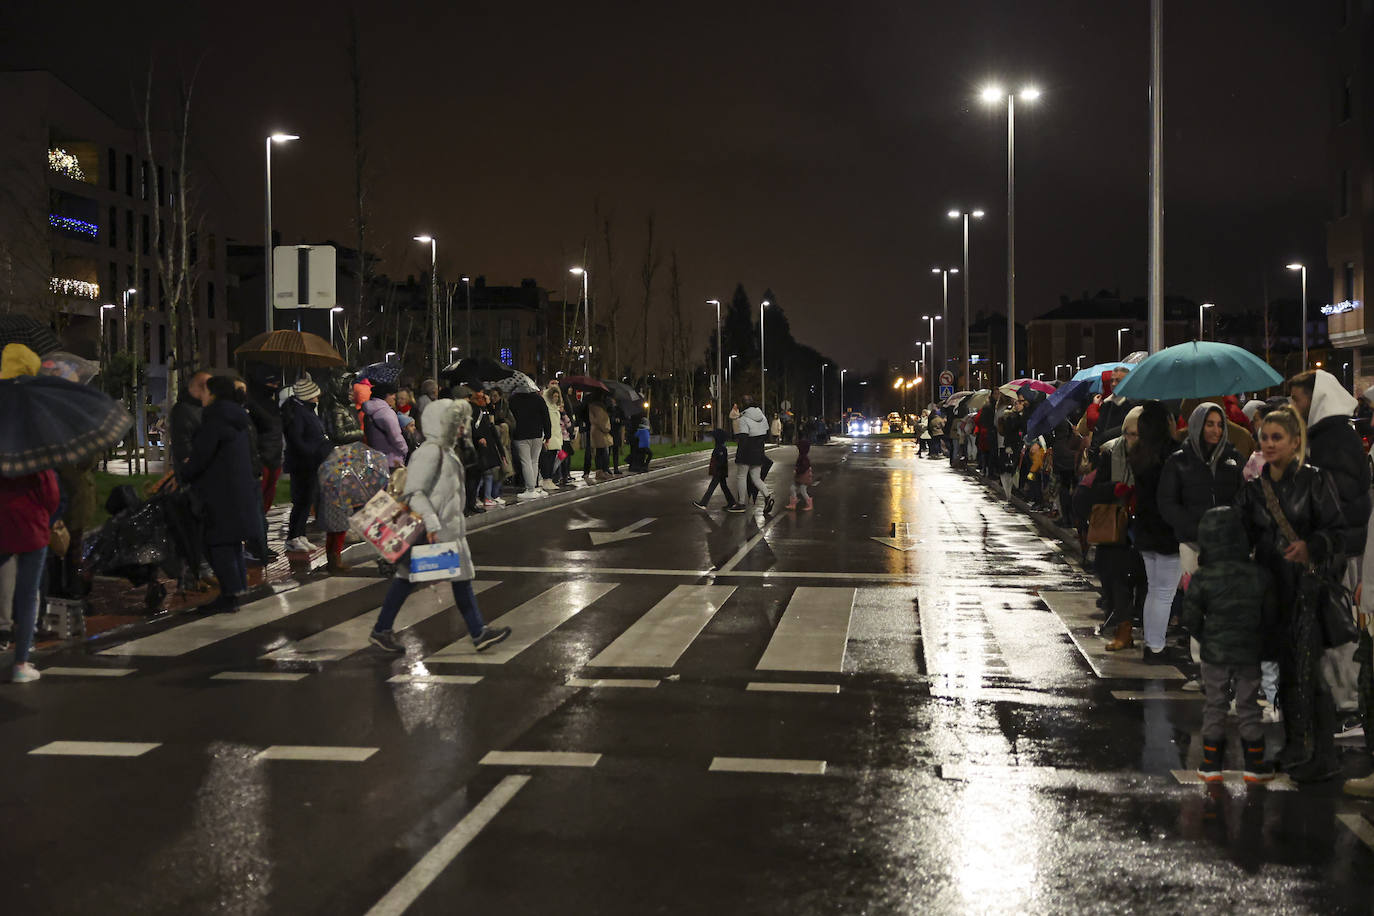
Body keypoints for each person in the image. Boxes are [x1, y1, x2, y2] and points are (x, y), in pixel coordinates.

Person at [1235, 407, 1361, 782]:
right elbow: (1239, 533)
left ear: (1294, 442)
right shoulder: (1253, 490)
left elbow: (1338, 532)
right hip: (1272, 591)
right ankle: (1295, 746)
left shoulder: (1315, 482)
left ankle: (1320, 752)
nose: (1270, 444)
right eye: (1266, 438)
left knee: (1311, 672)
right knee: (1286, 670)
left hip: (1308, 591)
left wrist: (1313, 547)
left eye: (1278, 438)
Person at [368, 398, 512, 654]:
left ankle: (478, 633)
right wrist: (432, 525)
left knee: (460, 581)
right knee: (408, 579)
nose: (460, 429)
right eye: (454, 424)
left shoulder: (446, 451)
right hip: (433, 531)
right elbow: (414, 492)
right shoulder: (430, 452)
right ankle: (381, 630)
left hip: (448, 530)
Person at [1288, 369, 1370, 740]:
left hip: (1339, 552)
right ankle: (1338, 704)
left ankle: (1350, 707)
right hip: (1333, 548)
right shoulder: (1328, 437)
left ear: (1315, 399)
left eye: (1298, 398)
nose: (1293, 405)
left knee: (1340, 631)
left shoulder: (1333, 439)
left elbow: (1338, 497)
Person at [1183, 506, 1278, 782]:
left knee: (1215, 705)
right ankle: (1254, 764)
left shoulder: (1203, 577)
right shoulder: (1258, 574)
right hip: (1248, 652)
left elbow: (1190, 617)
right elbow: (1270, 616)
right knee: (1248, 706)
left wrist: (1207, 637)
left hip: (1214, 653)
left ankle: (1211, 764)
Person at [0, 344, 59, 683]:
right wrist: (49, 511)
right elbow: (48, 486)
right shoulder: (33, 421)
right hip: (31, 522)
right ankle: (21, 663)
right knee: (28, 591)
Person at [183, 376, 262, 612]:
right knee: (231, 542)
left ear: (214, 394)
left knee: (218, 543)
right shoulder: (236, 417)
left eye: (206, 392)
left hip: (220, 492)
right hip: (236, 488)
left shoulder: (215, 419)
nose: (203, 397)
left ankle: (229, 595)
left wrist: (185, 471)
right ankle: (236, 590)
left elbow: (201, 456)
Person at [1086, 406, 1148, 650]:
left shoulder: (1152, 455)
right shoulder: (1111, 452)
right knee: (1118, 577)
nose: (1131, 439)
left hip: (1142, 525)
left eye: (1137, 434)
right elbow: (1095, 489)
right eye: (1128, 433)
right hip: (1116, 526)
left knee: (1142, 580)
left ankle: (1141, 625)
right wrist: (1115, 489)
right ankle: (1124, 627)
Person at [1125, 401, 1181, 663]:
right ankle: (1155, 647)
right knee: (1164, 592)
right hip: (1167, 530)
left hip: (1145, 528)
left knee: (1154, 588)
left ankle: (1152, 642)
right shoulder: (1172, 454)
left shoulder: (1138, 452)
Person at [281, 375, 333, 554]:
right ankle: (293, 537)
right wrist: (314, 450)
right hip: (303, 463)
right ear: (308, 396)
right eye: (315, 395)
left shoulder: (306, 410)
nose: (318, 398)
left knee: (306, 500)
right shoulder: (298, 412)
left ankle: (300, 534)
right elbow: (297, 439)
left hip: (311, 462)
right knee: (301, 500)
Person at [246, 375, 284, 517]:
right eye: (271, 383)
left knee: (268, 494)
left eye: (277, 383)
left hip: (274, 455)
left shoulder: (273, 405)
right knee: (258, 496)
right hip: (261, 457)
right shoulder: (252, 406)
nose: (275, 387)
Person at [729, 395, 773, 514]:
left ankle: (741, 503)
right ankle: (767, 496)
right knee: (756, 478)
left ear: (743, 404)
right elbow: (766, 433)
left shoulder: (744, 418)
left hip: (747, 449)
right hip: (759, 449)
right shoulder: (762, 416)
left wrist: (739, 455)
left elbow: (743, 438)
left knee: (741, 476)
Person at [509, 387, 551, 499]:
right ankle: (535, 486)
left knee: (525, 461)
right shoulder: (538, 399)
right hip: (537, 434)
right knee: (534, 461)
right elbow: (546, 417)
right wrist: (548, 434)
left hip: (521, 434)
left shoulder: (513, 400)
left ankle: (530, 488)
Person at [169, 369, 211, 480]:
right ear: (203, 387)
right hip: (196, 478)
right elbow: (184, 450)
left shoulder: (200, 409)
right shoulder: (183, 411)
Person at [362, 381, 409, 469]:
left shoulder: (368, 412)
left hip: (376, 459)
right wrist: (405, 449)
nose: (394, 397)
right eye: (392, 394)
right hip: (392, 461)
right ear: (385, 395)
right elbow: (396, 437)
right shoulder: (386, 413)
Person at [694, 428, 737, 510]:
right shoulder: (720, 447)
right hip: (721, 471)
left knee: (712, 487)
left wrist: (717, 470)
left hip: (719, 471)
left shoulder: (720, 448)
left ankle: (703, 503)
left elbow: (720, 461)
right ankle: (732, 502)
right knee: (724, 487)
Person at [541, 384, 566, 491]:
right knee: (548, 460)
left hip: (555, 437)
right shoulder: (548, 408)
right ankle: (546, 479)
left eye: (557, 396)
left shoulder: (555, 409)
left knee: (552, 459)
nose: (556, 398)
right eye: (554, 396)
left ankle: (549, 479)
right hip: (550, 437)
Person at [588, 395, 613, 481]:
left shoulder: (593, 407)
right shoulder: (598, 408)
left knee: (600, 452)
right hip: (600, 433)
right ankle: (602, 471)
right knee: (603, 452)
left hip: (597, 432)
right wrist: (607, 428)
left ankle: (601, 471)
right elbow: (600, 421)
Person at [787, 437, 814, 510]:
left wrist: (797, 470)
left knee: (802, 490)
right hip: (800, 476)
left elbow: (804, 467)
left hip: (803, 476)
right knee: (793, 488)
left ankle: (809, 504)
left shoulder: (804, 457)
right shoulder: (802, 456)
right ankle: (793, 502)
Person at [608, 398, 625, 475]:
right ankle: (606, 468)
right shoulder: (608, 408)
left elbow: (623, 419)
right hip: (609, 432)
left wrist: (619, 421)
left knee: (615, 451)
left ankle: (616, 468)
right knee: (608, 451)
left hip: (616, 432)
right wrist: (613, 419)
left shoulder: (619, 409)